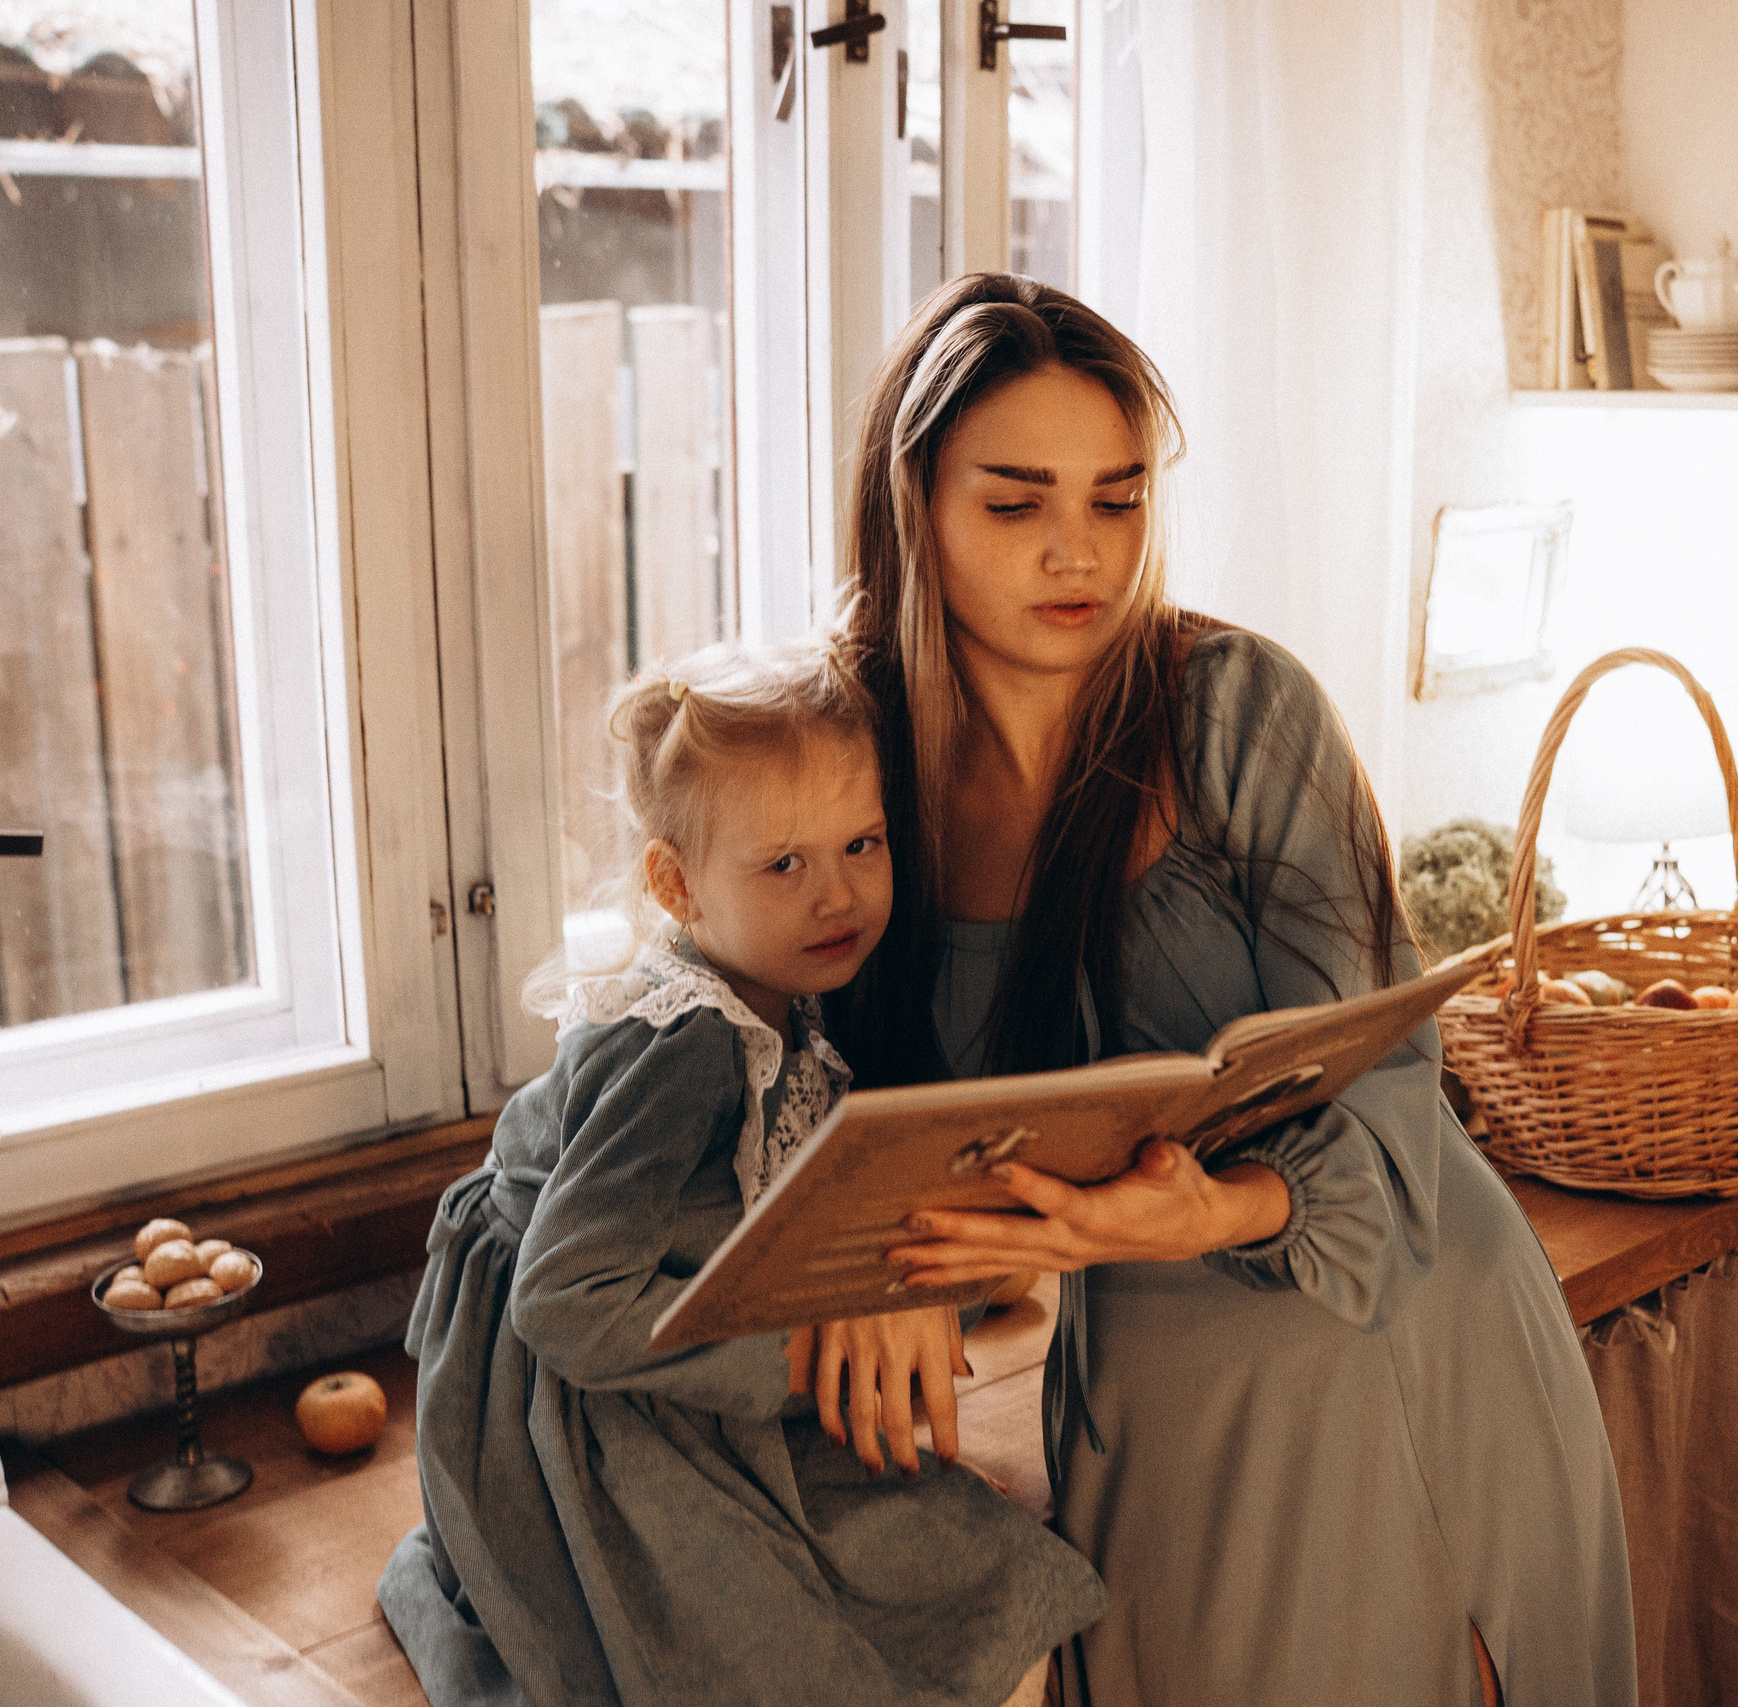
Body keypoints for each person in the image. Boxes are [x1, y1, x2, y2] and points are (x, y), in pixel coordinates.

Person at [827, 274, 1638, 1706]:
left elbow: (1387, 1089)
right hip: (1145, 1391)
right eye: (1015, 504)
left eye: (1119, 498)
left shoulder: (1239, 709)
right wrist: (859, 1265)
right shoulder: (845, 758)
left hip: (1394, 1346)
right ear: (913, 508)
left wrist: (1212, 1206)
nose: (1079, 550)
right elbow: (758, 1041)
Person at [378, 635, 1104, 1707]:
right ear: (676, 885)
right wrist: (797, 1357)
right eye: (784, 865)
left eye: (861, 844)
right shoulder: (685, 1049)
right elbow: (563, 1301)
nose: (838, 896)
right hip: (553, 1383)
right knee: (736, 1642)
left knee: (932, 1563)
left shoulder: (783, 988)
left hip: (648, 1314)